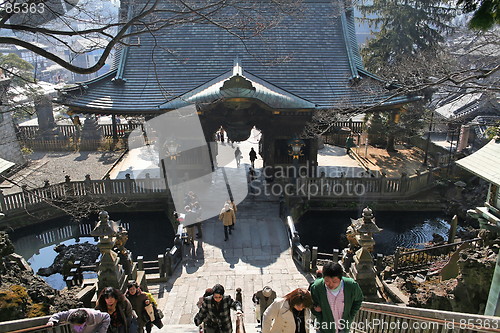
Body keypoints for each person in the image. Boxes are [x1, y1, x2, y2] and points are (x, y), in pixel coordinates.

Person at [310, 262, 363, 333]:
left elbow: (358, 300)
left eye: (334, 281)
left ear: (340, 279)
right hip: (325, 329)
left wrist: (350, 316)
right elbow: (312, 304)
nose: (330, 284)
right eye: (327, 281)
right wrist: (319, 317)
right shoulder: (317, 287)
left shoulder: (351, 286)